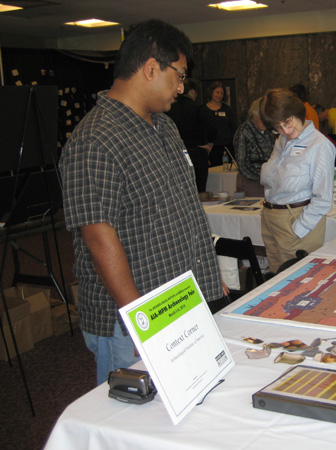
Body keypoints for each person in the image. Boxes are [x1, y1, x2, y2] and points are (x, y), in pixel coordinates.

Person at [59, 19, 224, 385]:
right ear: (151, 68)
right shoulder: (96, 140)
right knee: (134, 427)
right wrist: (141, 321)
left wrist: (209, 276)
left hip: (178, 304)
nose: (182, 88)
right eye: (179, 76)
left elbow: (179, 207)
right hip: (134, 321)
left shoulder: (163, 125)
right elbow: (99, 237)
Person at [259, 88, 335, 273]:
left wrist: (298, 229)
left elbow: (323, 199)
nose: (284, 130)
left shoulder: (319, 145)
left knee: (297, 285)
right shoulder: (282, 140)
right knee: (276, 282)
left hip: (295, 220)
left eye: (287, 122)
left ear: (297, 112)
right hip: (272, 217)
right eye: (277, 127)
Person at [166, 77, 213, 192]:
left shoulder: (169, 109)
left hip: (176, 153)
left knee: (182, 189)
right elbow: (212, 128)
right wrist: (208, 145)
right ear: (192, 92)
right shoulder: (197, 108)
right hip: (196, 151)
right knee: (200, 188)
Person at [232, 98, 276, 196]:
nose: (266, 122)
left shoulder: (267, 132)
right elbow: (243, 166)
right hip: (251, 183)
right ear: (255, 116)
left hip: (268, 181)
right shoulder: (244, 132)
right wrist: (265, 177)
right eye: (263, 119)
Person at [200, 81, 236, 167]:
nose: (219, 95)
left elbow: (232, 128)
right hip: (211, 148)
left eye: (222, 93)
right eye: (217, 92)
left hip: (227, 147)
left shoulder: (227, 109)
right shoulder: (203, 110)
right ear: (211, 92)